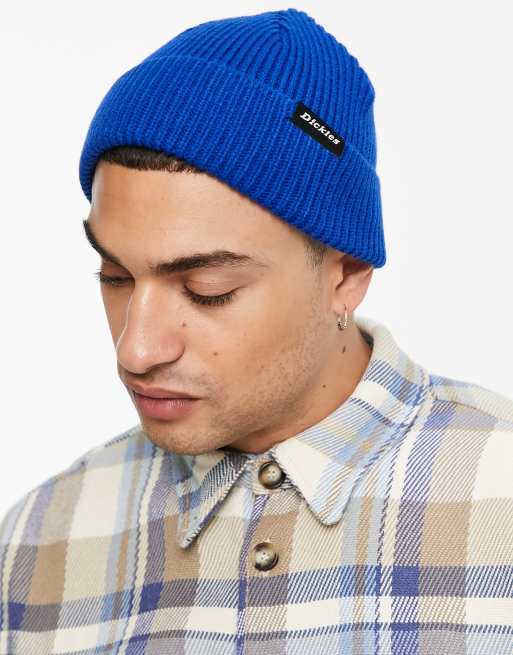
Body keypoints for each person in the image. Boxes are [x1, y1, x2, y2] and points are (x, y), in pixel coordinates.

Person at [1, 7, 512, 655]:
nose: (137, 348)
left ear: (346, 273)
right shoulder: (34, 546)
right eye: (115, 276)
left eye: (207, 288)